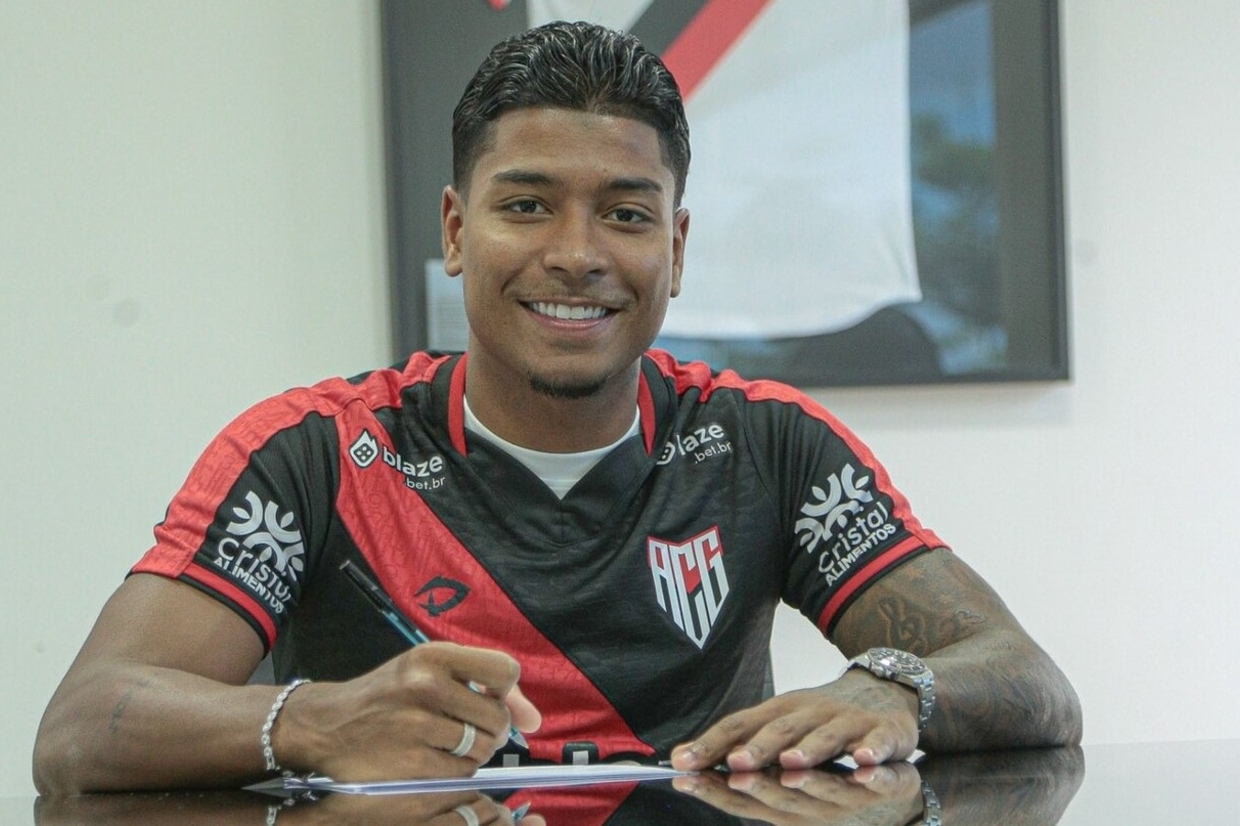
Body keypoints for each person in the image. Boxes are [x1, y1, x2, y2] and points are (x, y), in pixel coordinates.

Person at [33, 20, 1082, 801]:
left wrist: (895, 690)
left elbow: (1026, 679)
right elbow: (83, 726)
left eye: (624, 214)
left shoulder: (768, 444)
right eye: (527, 205)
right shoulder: (313, 451)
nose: (577, 254)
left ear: (674, 248)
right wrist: (314, 719)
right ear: (456, 231)